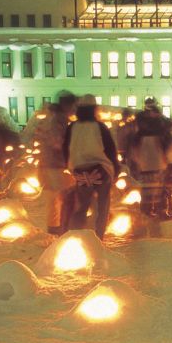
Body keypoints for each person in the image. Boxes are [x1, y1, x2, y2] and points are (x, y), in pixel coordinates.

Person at [63, 94, 119, 239]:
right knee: (102, 207)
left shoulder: (72, 127)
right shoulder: (99, 127)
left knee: (81, 206)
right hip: (101, 171)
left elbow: (66, 148)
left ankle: (74, 235)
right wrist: (116, 169)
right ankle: (98, 237)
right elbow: (110, 150)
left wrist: (70, 166)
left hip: (81, 172)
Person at [35, 92, 76, 235]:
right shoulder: (59, 120)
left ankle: (57, 228)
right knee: (59, 198)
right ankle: (58, 230)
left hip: (50, 163)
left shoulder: (53, 118)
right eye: (73, 106)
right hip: (55, 165)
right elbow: (57, 143)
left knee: (57, 199)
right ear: (67, 105)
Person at [132, 98, 172, 218]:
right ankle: (160, 210)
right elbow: (168, 145)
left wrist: (136, 161)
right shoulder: (161, 129)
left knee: (147, 188)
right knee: (160, 187)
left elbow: (134, 148)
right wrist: (171, 161)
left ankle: (146, 210)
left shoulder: (139, 132)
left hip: (145, 163)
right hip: (159, 161)